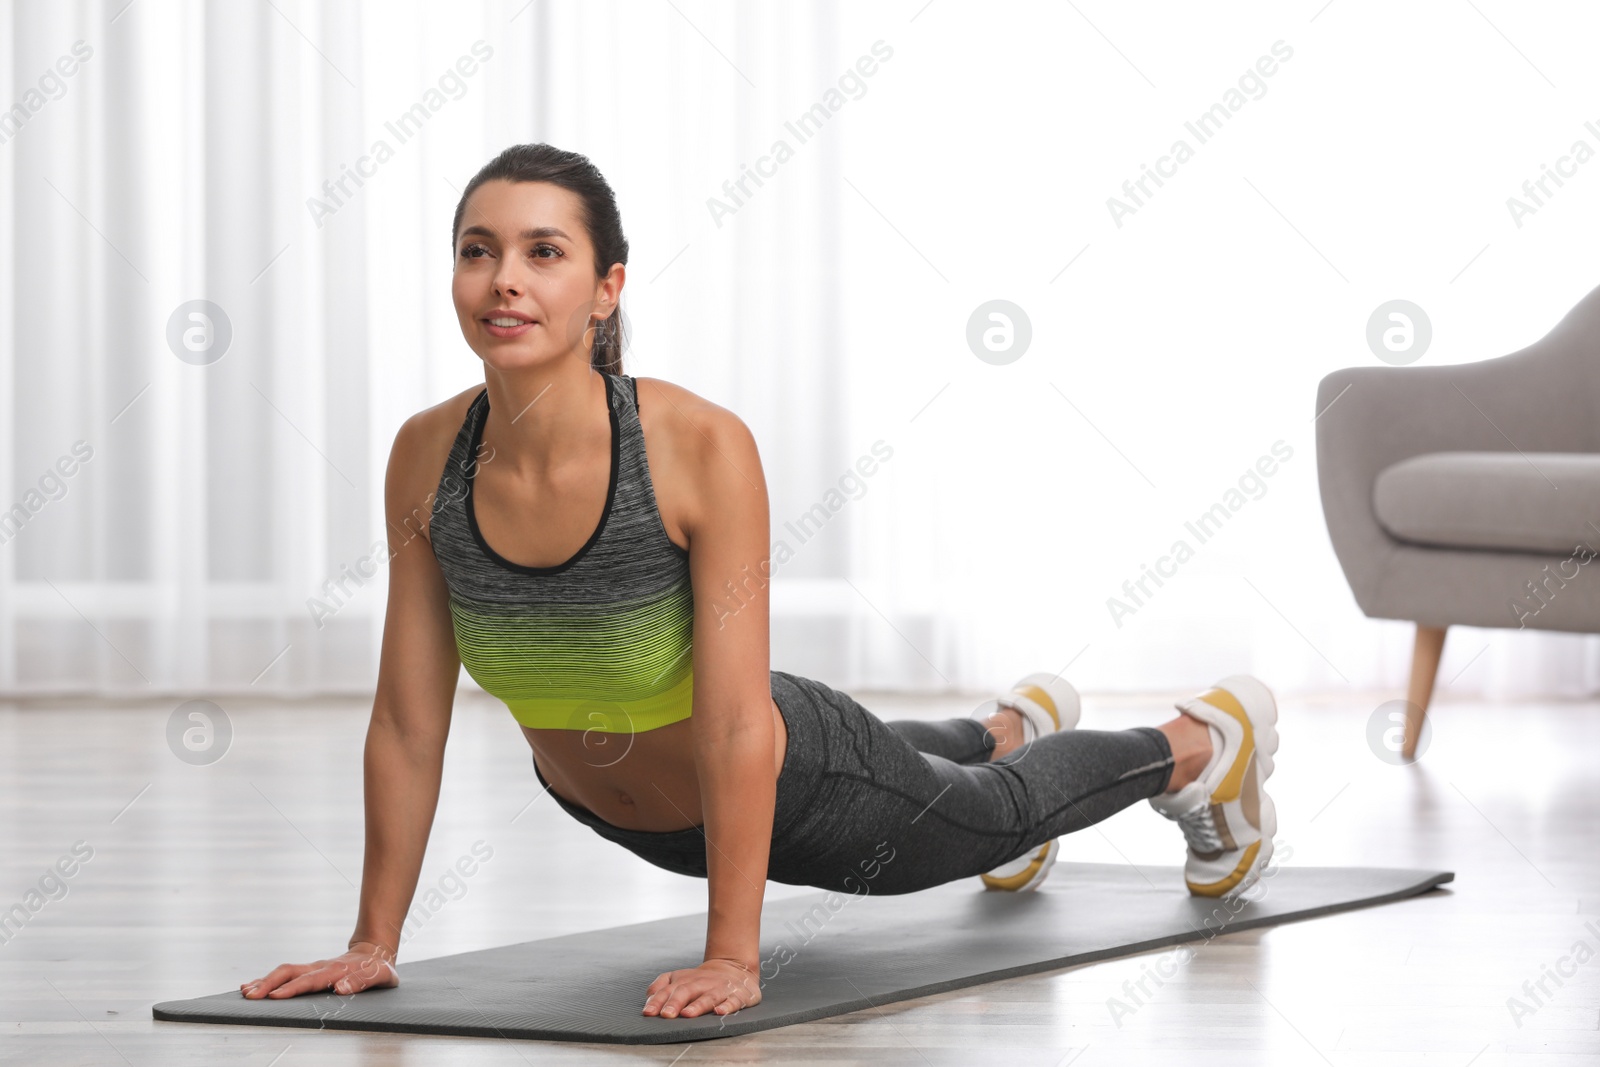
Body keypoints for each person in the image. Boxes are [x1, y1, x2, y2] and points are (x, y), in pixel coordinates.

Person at [240, 143, 1280, 1023]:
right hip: (625, 814)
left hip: (795, 783)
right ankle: (1004, 720)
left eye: (542, 252)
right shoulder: (426, 455)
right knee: (952, 772)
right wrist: (371, 942)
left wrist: (734, 955)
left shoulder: (695, 447)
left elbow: (736, 727)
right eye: (479, 252)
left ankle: (1200, 741)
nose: (504, 278)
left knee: (993, 820)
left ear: (606, 288)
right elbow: (409, 722)